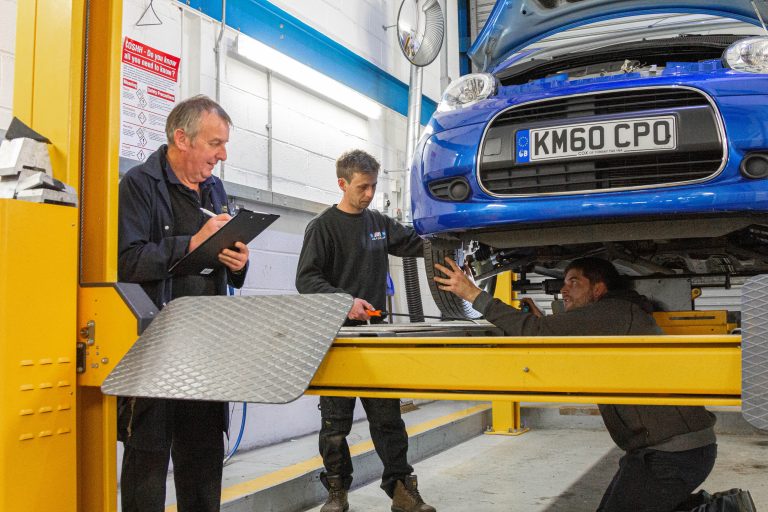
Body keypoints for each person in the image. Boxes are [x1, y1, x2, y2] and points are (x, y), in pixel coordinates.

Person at [434, 256, 717, 512]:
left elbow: (536, 332)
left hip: (673, 453)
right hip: (667, 449)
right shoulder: (615, 315)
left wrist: (472, 294)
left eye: (574, 282)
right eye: (564, 282)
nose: (563, 290)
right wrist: (547, 328)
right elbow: (555, 341)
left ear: (598, 288)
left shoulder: (614, 312)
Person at [117, 95, 249, 512]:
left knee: (203, 464)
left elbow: (223, 264)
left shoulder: (215, 188)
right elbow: (127, 261)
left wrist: (239, 262)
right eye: (215, 144)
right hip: (155, 352)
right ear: (181, 138)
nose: (222, 155)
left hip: (206, 352)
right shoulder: (138, 186)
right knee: (147, 467)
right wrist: (189, 244)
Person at [296, 149, 436, 512]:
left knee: (388, 421)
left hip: (376, 338)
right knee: (335, 426)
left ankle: (402, 491)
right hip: (337, 338)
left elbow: (416, 244)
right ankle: (337, 493)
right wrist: (345, 301)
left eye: (373, 186)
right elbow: (306, 279)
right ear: (342, 183)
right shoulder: (322, 227)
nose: (369, 194)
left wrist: (450, 237)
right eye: (362, 187)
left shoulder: (378, 223)